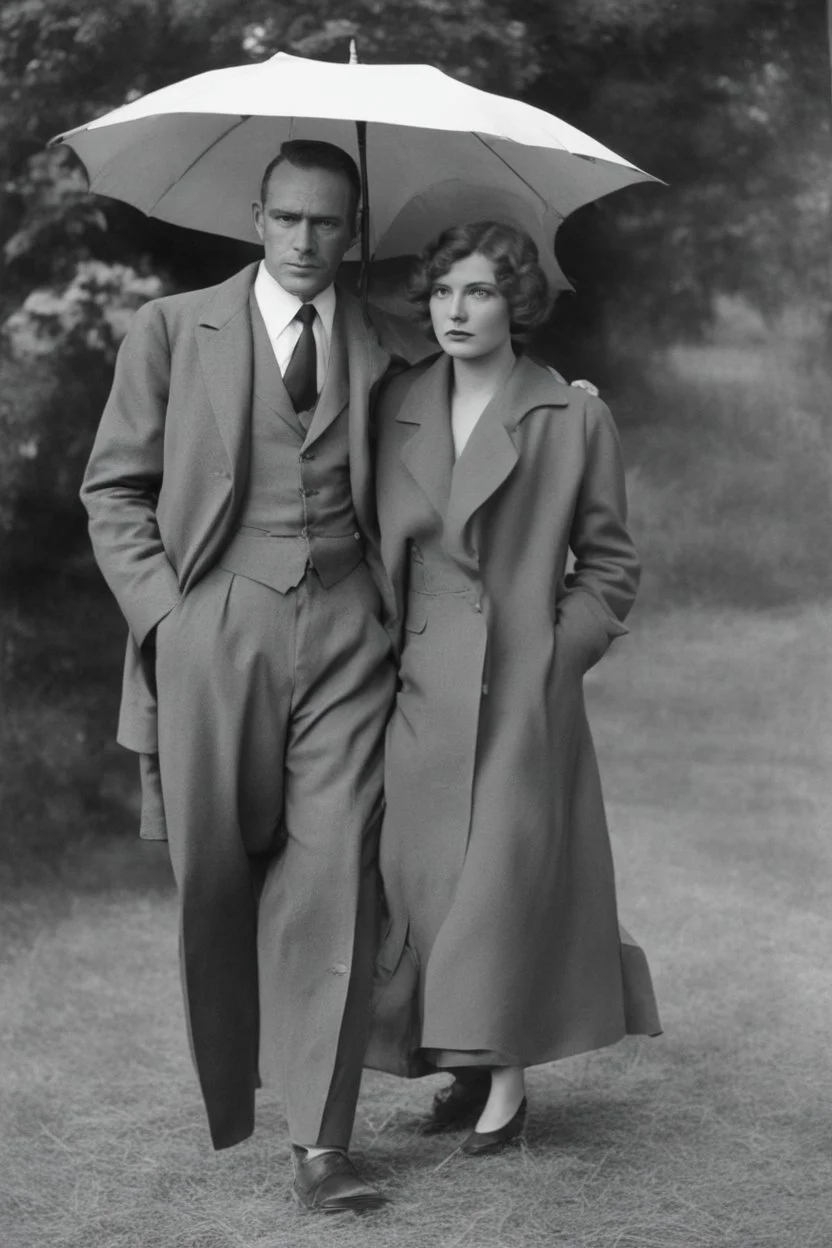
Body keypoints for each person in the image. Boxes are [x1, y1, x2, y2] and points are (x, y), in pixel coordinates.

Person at [81, 140, 414, 1213]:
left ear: (353, 229)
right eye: (289, 220)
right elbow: (114, 490)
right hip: (214, 623)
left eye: (328, 223)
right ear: (256, 217)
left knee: (334, 877)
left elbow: (448, 448)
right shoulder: (173, 329)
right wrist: (167, 622)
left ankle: (322, 1145)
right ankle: (237, 1096)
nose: (307, 241)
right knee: (217, 875)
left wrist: (565, 404)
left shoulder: (385, 341)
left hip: (349, 628)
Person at [365, 221, 661, 1152]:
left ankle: (506, 1083)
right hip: (414, 688)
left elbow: (610, 565)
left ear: (517, 304)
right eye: (445, 291)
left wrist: (551, 655)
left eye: (481, 291)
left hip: (520, 688)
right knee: (430, 883)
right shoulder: (396, 400)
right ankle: (463, 1067)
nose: (457, 310)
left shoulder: (572, 416)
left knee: (500, 878)